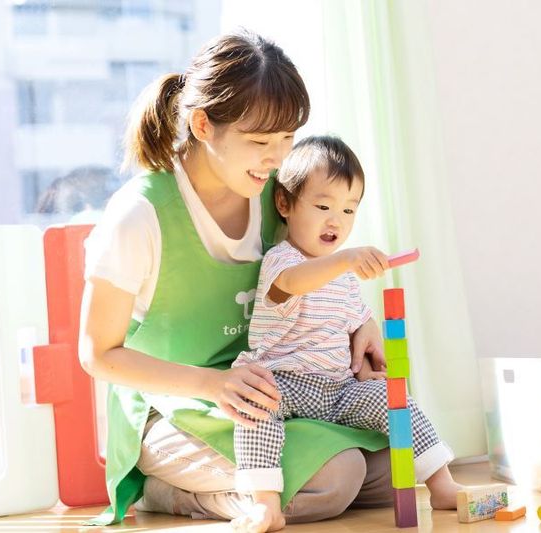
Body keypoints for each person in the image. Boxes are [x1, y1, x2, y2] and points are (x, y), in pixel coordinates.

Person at [78, 31, 392, 526]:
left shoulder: (276, 195)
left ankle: (263, 487)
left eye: (287, 138)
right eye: (260, 141)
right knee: (337, 477)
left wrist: (362, 324)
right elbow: (97, 354)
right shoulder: (139, 216)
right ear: (203, 124)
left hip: (272, 397)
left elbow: (309, 276)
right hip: (175, 408)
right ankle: (167, 492)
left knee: (391, 466)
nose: (277, 158)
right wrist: (214, 384)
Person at [229, 136, 460, 532]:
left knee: (393, 397)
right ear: (284, 204)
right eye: (323, 207)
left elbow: (360, 328)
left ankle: (442, 485)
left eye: (349, 210)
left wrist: (370, 366)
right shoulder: (281, 261)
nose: (335, 221)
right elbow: (294, 283)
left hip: (338, 389)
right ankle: (266, 503)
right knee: (255, 402)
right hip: (286, 383)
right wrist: (345, 259)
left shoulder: (346, 279)